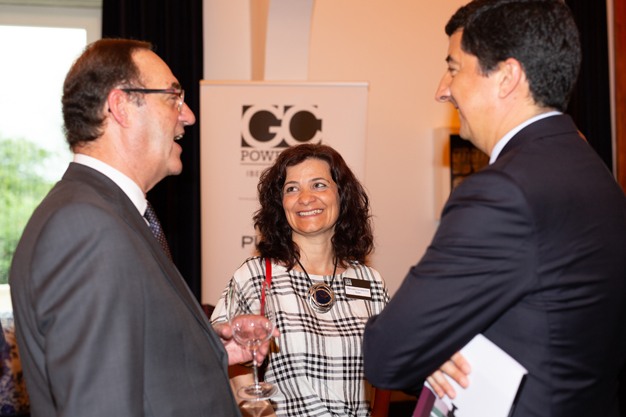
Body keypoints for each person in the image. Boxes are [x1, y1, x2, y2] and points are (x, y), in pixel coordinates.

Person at [362, 1, 626, 417]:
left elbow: (386, 352)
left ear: (506, 77)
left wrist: (430, 352)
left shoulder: (503, 191)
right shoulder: (595, 171)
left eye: (453, 68)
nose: (442, 90)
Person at [9, 38, 268, 417]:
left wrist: (210, 350)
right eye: (173, 97)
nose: (188, 116)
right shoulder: (86, 227)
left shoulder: (109, 214)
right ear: (121, 106)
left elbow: (129, 357)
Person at [211, 144, 390, 416]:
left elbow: (390, 369)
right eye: (292, 189)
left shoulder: (370, 281)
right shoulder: (256, 276)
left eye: (318, 185)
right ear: (280, 204)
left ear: (341, 194)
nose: (305, 198)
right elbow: (225, 362)